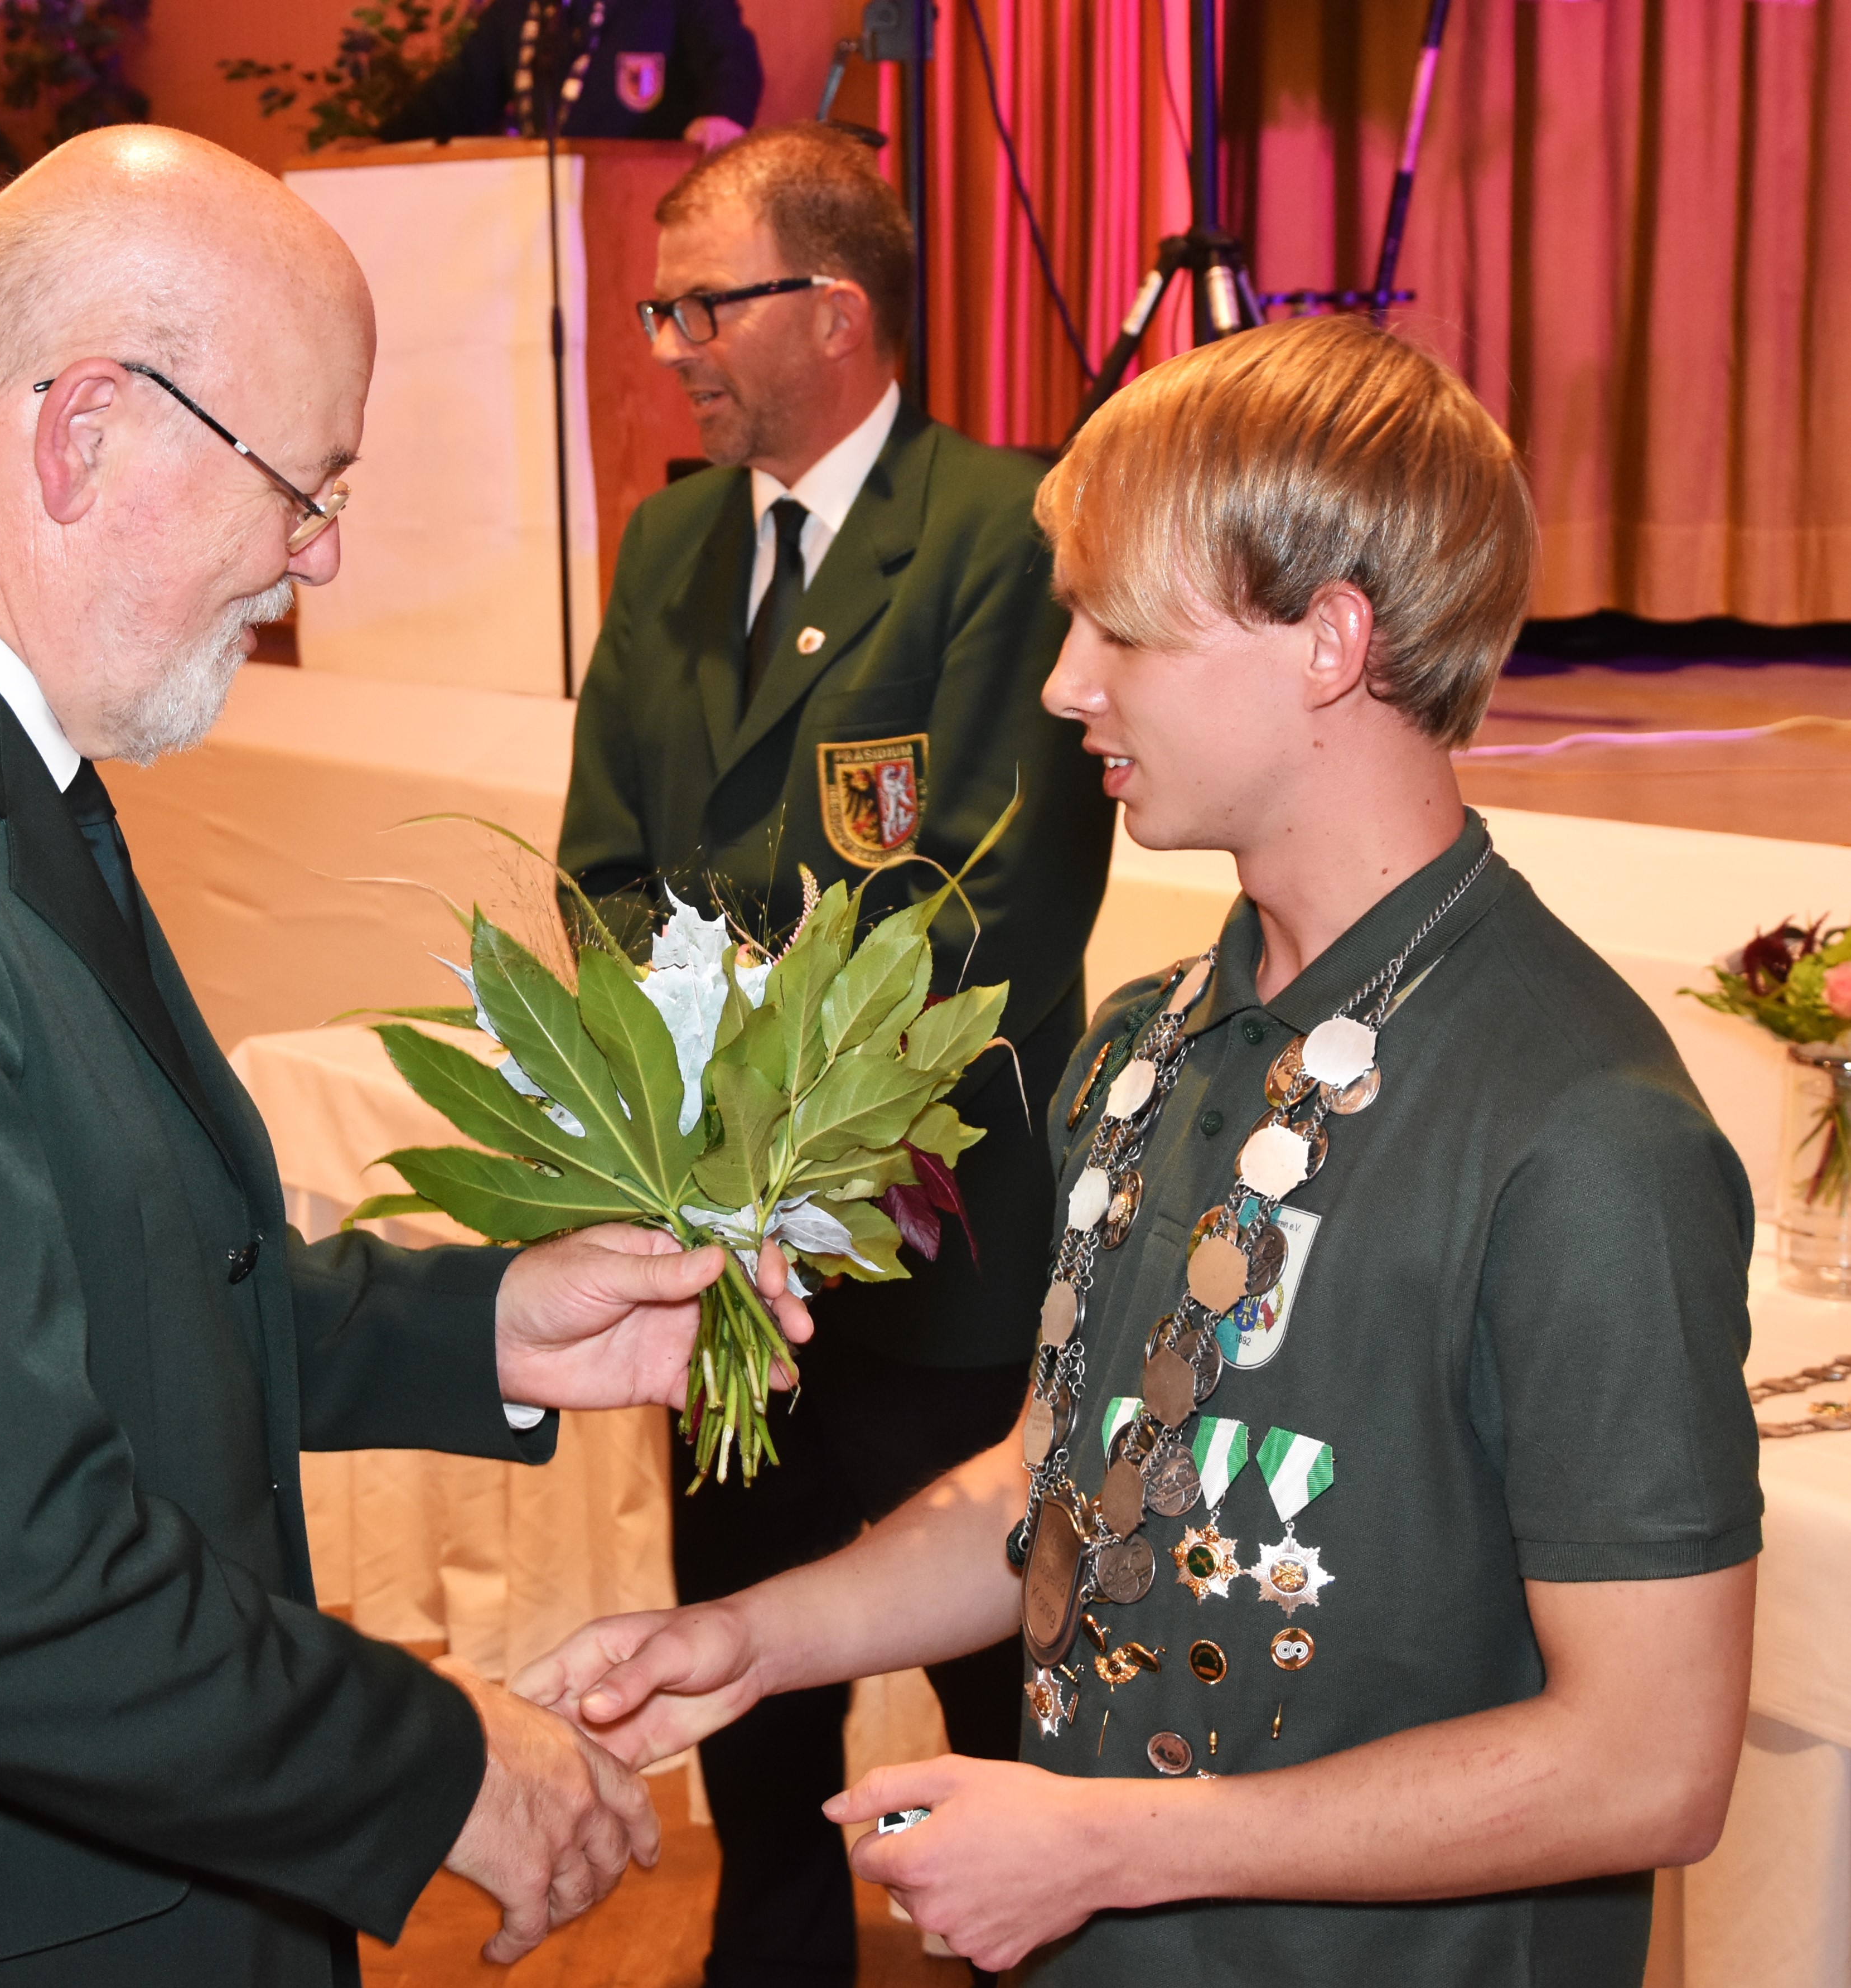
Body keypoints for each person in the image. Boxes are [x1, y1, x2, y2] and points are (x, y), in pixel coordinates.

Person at [0, 128, 807, 1988]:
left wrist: (483, 1322)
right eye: (303, 483)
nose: (319, 551)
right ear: (86, 429)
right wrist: (436, 1763)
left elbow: (87, 1275)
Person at [520, 314, 1762, 1985]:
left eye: (1121, 625)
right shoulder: (1139, 1043)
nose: (1063, 683)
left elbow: (1649, 1763)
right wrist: (750, 1638)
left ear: (1326, 640)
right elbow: (1052, 1482)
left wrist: (1111, 1845)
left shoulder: (1581, 1129)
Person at [554, 122, 1114, 1986]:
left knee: (994, 1684)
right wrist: (698, 1134)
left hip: (935, 1241)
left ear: (839, 311)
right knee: (748, 1662)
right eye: (661, 309)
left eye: (703, 305)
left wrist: (768, 1103)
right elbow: (602, 866)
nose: (672, 346)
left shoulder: (1002, 531)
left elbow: (996, 906)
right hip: (727, 1250)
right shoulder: (666, 540)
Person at [378, 0, 760, 149]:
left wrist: (721, 115)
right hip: (534, 210)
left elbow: (731, 59)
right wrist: (379, 143)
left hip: (640, 198)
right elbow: (460, 94)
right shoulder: (520, 11)